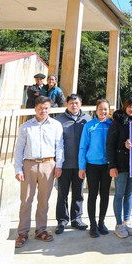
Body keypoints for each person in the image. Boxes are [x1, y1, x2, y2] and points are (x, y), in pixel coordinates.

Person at [14, 96, 64, 248]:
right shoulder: (26, 126)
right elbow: (19, 149)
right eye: (41, 108)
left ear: (50, 108)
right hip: (29, 165)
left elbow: (59, 146)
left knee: (43, 200)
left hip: (48, 165)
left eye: (46, 108)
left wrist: (59, 165)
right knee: (26, 200)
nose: (43, 110)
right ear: (35, 108)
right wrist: (18, 169)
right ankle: (22, 232)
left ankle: (40, 230)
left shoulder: (55, 125)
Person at [54, 93, 91, 234]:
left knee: (78, 193)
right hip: (64, 164)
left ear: (81, 104)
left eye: (76, 103)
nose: (74, 105)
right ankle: (62, 221)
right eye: (71, 103)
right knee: (62, 194)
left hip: (81, 165)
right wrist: (57, 163)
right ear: (67, 104)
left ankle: (77, 219)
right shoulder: (59, 121)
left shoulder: (87, 119)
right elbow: (56, 144)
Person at [107, 97, 132, 238]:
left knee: (129, 193)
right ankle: (119, 224)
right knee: (119, 194)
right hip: (120, 164)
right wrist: (112, 165)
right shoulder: (117, 122)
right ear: (125, 107)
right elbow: (110, 145)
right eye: (130, 107)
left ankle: (127, 221)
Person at [78, 98, 112, 238]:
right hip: (92, 165)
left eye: (105, 109)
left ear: (108, 111)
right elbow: (83, 146)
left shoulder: (111, 125)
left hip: (107, 166)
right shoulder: (89, 126)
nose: (103, 111)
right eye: (100, 109)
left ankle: (101, 222)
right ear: (96, 110)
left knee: (105, 195)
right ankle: (92, 224)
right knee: (92, 195)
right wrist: (82, 167)